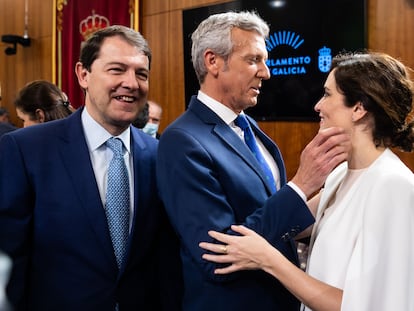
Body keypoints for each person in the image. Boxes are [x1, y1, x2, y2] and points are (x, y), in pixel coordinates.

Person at [157, 11, 350, 311]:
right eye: (253, 60)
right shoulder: (182, 140)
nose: (266, 72)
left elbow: (270, 216)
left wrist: (334, 190)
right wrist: (301, 185)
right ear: (213, 62)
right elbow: (218, 255)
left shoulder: (248, 126)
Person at [199, 51, 414, 311]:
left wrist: (269, 260)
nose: (318, 106)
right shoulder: (338, 175)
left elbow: (360, 306)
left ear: (358, 108)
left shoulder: (393, 185)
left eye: (327, 94)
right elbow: (296, 223)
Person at [0, 25, 181, 310]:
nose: (132, 83)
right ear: (83, 75)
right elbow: (9, 259)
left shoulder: (161, 156)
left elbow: (166, 261)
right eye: (117, 69)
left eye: (141, 73)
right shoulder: (26, 150)